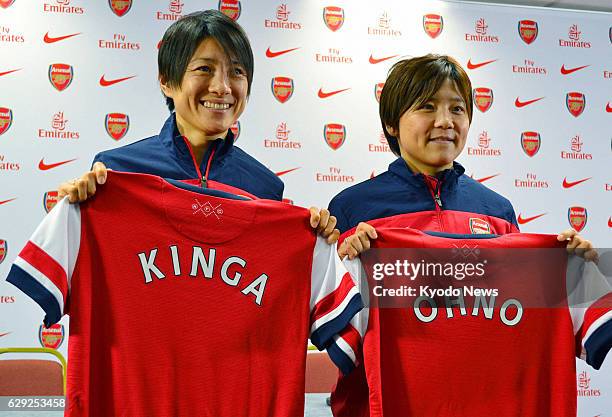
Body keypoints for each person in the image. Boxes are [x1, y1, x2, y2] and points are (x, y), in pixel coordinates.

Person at [327, 54, 597, 416]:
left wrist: (569, 264)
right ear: (392, 123)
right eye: (426, 107)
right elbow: (326, 321)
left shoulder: (497, 211)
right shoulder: (351, 208)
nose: (445, 122)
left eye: (457, 109)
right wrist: (344, 259)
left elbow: (515, 317)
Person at [58, 10, 338, 240]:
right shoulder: (116, 172)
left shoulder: (265, 187)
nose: (222, 87)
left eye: (237, 72)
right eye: (204, 69)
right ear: (167, 81)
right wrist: (70, 212)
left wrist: (316, 238)